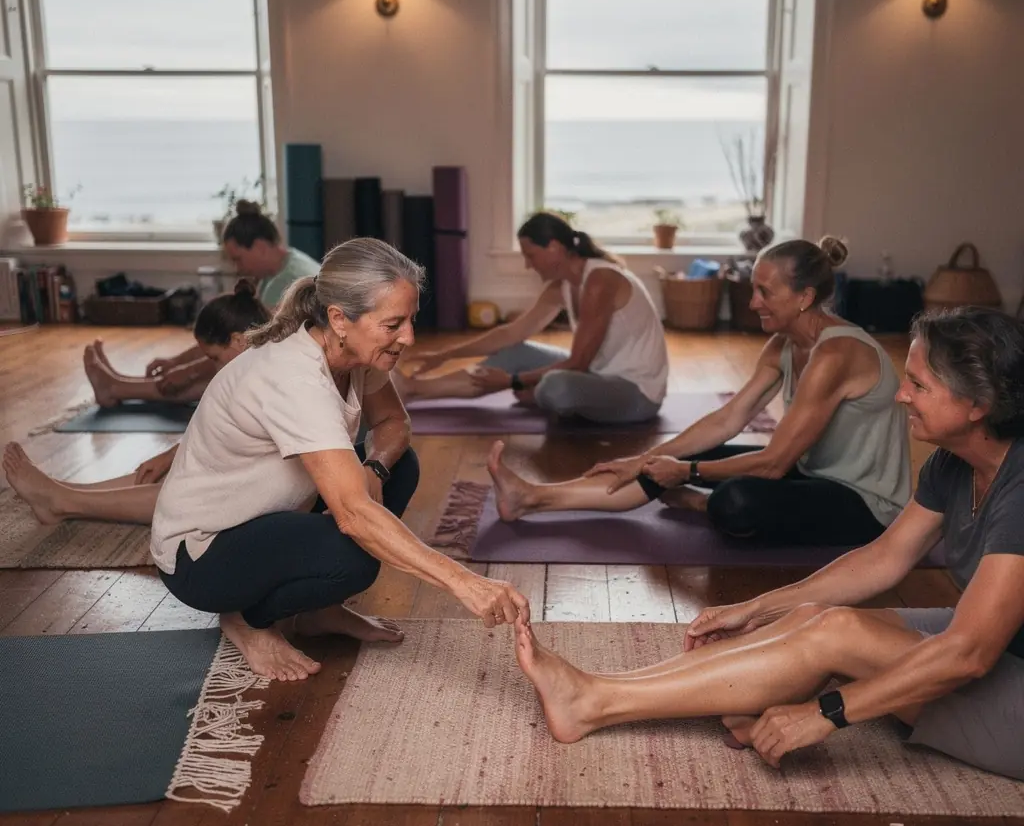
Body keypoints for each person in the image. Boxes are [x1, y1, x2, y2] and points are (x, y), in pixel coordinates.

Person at [512, 307, 1024, 782]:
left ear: (977, 404)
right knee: (811, 617)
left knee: (837, 631)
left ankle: (592, 703)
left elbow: (968, 654)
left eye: (918, 385)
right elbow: (883, 558)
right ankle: (611, 687)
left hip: (1010, 696)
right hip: (998, 651)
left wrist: (828, 711)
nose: (901, 395)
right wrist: (757, 608)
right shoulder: (953, 462)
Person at [149, 238, 530, 682]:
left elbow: (393, 423)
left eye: (410, 320)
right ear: (338, 318)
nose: (408, 337)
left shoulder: (353, 352)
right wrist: (466, 583)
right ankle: (245, 620)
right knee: (352, 557)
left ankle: (316, 612)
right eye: (393, 324)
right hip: (202, 553)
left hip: (268, 516)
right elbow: (352, 515)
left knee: (398, 466)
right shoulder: (294, 378)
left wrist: (375, 468)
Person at [487, 237, 910, 547]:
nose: (753, 303)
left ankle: (696, 504)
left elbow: (775, 463)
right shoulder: (783, 343)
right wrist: (646, 460)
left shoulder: (836, 354)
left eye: (766, 292)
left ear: (805, 297)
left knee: (735, 500)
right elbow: (729, 418)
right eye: (754, 289)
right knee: (671, 460)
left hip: (865, 505)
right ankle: (532, 497)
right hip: (812, 474)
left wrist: (686, 475)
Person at [4, 283, 271, 525]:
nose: (212, 366)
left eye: (213, 358)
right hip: (248, 467)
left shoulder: (264, 379)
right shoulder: (254, 367)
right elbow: (218, 434)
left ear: (239, 340)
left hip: (252, 486)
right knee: (177, 471)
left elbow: (225, 439)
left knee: (186, 488)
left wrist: (174, 455)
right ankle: (64, 491)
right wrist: (172, 455)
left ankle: (63, 501)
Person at [394, 212, 668, 425]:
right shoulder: (561, 286)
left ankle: (539, 393)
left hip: (636, 395)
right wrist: (444, 355)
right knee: (515, 351)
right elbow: (509, 334)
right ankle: (413, 389)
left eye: (530, 255)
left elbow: (578, 362)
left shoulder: (600, 280)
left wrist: (513, 381)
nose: (528, 264)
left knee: (556, 387)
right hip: (598, 375)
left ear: (554, 247)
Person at [83, 201, 320, 405]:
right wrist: (176, 364)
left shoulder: (289, 281)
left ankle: (116, 388)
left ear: (259, 246)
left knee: (220, 375)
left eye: (238, 259)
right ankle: (123, 384)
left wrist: (187, 371)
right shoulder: (281, 268)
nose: (237, 268)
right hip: (288, 362)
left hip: (302, 374)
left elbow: (246, 346)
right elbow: (231, 333)